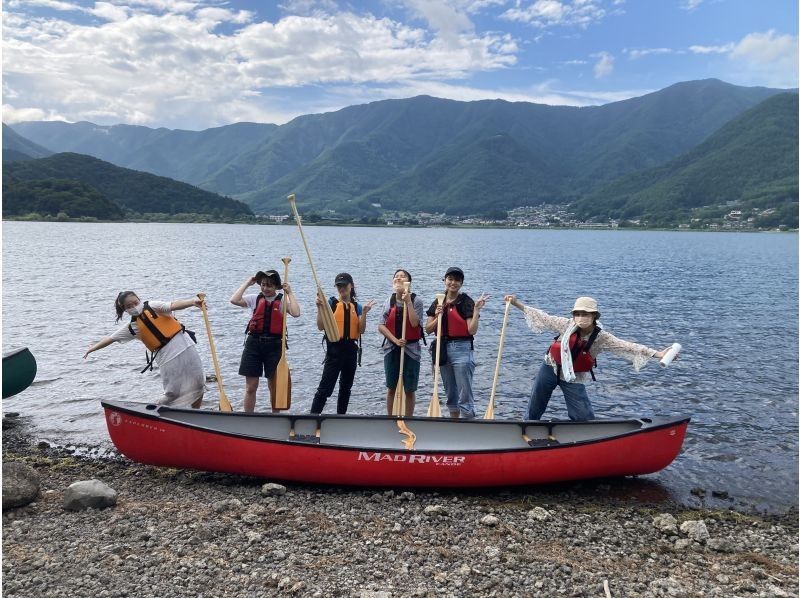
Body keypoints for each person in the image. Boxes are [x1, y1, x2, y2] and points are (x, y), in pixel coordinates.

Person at [505, 295, 673, 421]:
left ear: (594, 316)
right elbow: (542, 316)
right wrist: (515, 303)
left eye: (585, 314)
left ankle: (586, 436)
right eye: (577, 313)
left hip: (573, 376)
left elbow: (627, 346)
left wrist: (658, 354)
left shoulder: (602, 337)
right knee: (536, 403)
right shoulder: (565, 324)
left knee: (583, 414)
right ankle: (527, 427)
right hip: (550, 367)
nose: (581, 317)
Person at [83, 291, 205, 408]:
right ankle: (156, 410)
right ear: (125, 310)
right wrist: (91, 349)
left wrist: (192, 302)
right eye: (129, 306)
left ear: (139, 299)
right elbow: (111, 339)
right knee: (172, 393)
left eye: (135, 303)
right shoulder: (133, 327)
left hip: (186, 346)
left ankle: (196, 414)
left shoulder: (153, 306)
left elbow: (172, 305)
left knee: (198, 383)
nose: (134, 307)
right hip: (167, 358)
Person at [230, 269, 300, 413]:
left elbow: (296, 313)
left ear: (276, 287)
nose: (265, 288)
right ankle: (248, 418)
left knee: (273, 387)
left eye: (269, 285)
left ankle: (275, 418)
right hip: (253, 345)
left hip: (274, 346)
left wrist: (290, 293)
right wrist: (247, 283)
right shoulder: (254, 298)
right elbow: (234, 300)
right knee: (251, 387)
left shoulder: (282, 300)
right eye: (263, 285)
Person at [424, 267, 488, 419]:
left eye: (457, 280)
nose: (453, 283)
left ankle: (468, 423)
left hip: (462, 349)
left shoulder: (466, 301)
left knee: (464, 392)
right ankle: (454, 422)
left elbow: (471, 330)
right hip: (443, 349)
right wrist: (438, 315)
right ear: (444, 280)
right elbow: (427, 329)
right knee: (450, 392)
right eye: (450, 279)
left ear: (461, 283)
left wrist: (477, 311)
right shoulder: (438, 302)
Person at [310, 273, 375, 415]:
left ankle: (341, 418)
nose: (342, 288)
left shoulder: (357, 307)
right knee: (325, 389)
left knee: (345, 388)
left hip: (351, 352)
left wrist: (364, 314)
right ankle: (312, 418)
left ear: (351, 286)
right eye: (339, 286)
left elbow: (361, 330)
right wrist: (320, 308)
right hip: (334, 352)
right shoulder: (331, 304)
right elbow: (321, 327)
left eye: (344, 285)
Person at [378, 269, 425, 416]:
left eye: (402, 276)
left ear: (408, 282)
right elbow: (381, 326)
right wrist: (395, 340)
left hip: (411, 349)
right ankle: (390, 416)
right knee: (391, 387)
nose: (399, 278)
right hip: (392, 348)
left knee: (410, 389)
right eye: (396, 276)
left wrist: (408, 302)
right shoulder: (389, 301)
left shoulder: (417, 301)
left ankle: (409, 418)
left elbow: (414, 323)